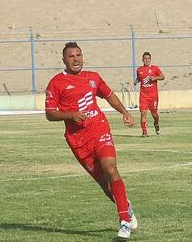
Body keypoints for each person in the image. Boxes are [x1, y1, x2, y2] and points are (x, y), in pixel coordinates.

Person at [45, 42, 138, 239]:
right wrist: (70, 115)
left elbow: (109, 95)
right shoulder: (56, 83)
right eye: (71, 56)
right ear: (64, 60)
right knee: (105, 185)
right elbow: (50, 113)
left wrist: (125, 112)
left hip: (99, 130)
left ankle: (123, 223)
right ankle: (125, 206)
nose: (76, 59)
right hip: (78, 141)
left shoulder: (93, 77)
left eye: (78, 55)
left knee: (111, 168)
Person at [134, 51, 165, 137]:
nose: (147, 60)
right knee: (143, 113)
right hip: (143, 95)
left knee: (154, 114)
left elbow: (162, 77)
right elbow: (140, 78)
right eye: (145, 58)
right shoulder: (139, 69)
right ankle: (144, 132)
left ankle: (156, 123)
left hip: (153, 95)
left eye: (148, 58)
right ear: (142, 60)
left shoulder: (155, 68)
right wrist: (136, 81)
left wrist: (155, 77)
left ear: (150, 59)